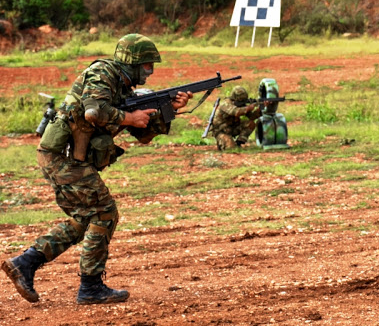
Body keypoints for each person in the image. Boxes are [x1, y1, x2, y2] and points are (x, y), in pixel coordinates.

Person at [1, 34, 192, 305]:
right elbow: (93, 112)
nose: (151, 72)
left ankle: (24, 263)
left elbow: (145, 135)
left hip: (69, 159)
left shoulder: (124, 89)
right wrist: (129, 117)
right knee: (104, 213)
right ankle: (90, 287)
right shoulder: (103, 73)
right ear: (133, 63)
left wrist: (169, 110)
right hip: (63, 157)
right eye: (148, 66)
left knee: (84, 219)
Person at [211, 85, 262, 150]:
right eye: (241, 100)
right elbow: (236, 112)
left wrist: (260, 109)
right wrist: (250, 107)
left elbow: (251, 117)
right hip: (221, 130)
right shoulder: (226, 103)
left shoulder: (241, 105)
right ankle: (222, 142)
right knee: (230, 148)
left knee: (250, 123)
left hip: (233, 128)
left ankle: (239, 142)